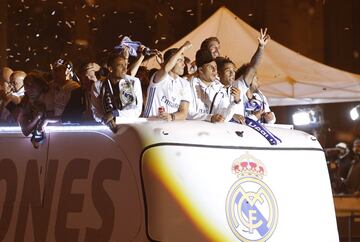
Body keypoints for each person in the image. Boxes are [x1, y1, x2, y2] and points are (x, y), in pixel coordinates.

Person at [91, 51, 143, 132]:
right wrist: (105, 119)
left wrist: (115, 114)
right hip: (107, 130)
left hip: (129, 129)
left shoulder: (134, 82)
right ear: (110, 69)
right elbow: (96, 111)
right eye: (120, 65)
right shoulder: (98, 85)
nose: (125, 69)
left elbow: (137, 111)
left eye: (125, 65)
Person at [143, 41, 192, 121]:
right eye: (179, 60)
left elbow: (184, 113)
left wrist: (171, 116)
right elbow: (166, 69)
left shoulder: (185, 84)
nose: (184, 65)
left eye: (183, 61)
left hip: (171, 128)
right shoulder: (158, 77)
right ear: (171, 62)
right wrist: (183, 48)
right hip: (150, 125)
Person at [234, 28, 275, 124]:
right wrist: (261, 48)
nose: (259, 83)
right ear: (249, 78)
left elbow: (270, 119)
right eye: (257, 79)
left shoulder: (260, 96)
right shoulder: (238, 88)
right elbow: (253, 67)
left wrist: (271, 118)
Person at [16, 71, 58, 148]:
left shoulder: (50, 97)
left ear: (41, 85)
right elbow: (25, 131)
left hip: (56, 140)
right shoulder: (26, 101)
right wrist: (38, 116)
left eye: (32, 85)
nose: (29, 89)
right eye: (26, 86)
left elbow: (54, 117)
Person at [187, 48, 224, 122]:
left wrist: (234, 104)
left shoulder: (220, 88)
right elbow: (188, 113)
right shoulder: (189, 84)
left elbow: (222, 112)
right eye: (210, 67)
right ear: (200, 70)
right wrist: (209, 117)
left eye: (215, 67)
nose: (215, 70)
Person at [51, 59, 84, 123]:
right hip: (53, 123)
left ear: (67, 71)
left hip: (66, 123)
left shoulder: (73, 87)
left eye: (59, 70)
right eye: (55, 70)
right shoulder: (50, 86)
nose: (56, 73)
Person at [214, 56, 244, 123]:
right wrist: (233, 115)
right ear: (218, 74)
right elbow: (219, 114)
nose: (232, 73)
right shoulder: (214, 90)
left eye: (233, 70)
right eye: (228, 71)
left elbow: (241, 117)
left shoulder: (235, 90)